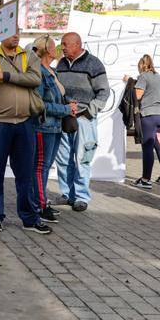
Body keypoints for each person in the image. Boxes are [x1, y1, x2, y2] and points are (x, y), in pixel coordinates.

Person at [0, 33, 49, 234]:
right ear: (0, 33)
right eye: (11, 32)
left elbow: (35, 79)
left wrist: (5, 76)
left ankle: (30, 218)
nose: (16, 36)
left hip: (24, 122)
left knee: (26, 174)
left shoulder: (28, 56)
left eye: (18, 32)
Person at [54, 32, 109, 212]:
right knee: (63, 158)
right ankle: (66, 193)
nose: (62, 48)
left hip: (84, 119)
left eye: (65, 44)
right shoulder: (61, 64)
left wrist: (89, 112)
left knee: (82, 159)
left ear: (77, 44)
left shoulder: (93, 64)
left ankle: (81, 197)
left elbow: (103, 92)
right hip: (65, 117)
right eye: (62, 44)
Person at [31, 36, 69, 225]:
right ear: (45, 49)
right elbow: (40, 104)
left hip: (55, 126)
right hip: (43, 126)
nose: (58, 49)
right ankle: (39, 205)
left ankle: (42, 202)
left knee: (45, 167)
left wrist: (68, 104)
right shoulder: (38, 71)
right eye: (54, 46)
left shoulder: (51, 71)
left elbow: (56, 97)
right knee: (40, 167)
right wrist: (66, 110)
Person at [131, 55, 160, 190]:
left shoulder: (143, 76)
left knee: (147, 148)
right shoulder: (159, 77)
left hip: (148, 116)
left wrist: (130, 83)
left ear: (141, 65)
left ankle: (146, 180)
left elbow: (138, 95)